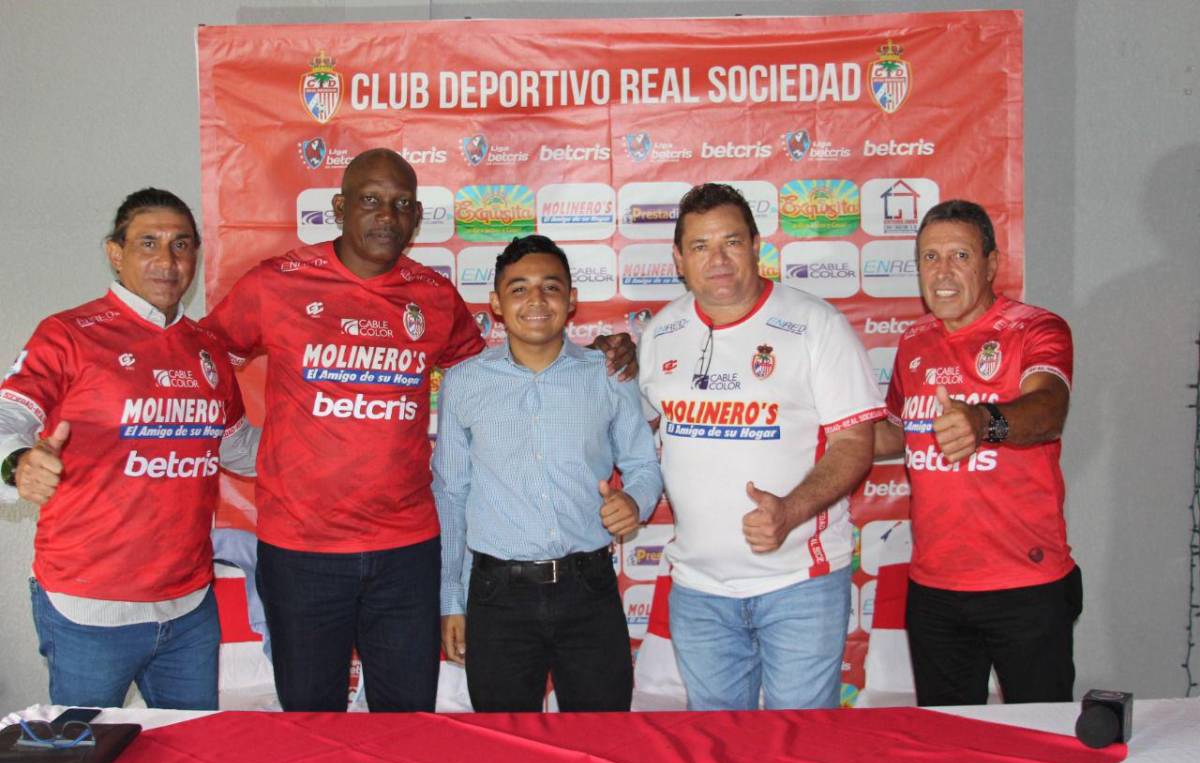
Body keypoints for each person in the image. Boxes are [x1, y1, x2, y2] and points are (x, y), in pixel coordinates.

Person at [203, 149, 637, 712]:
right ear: (339, 207)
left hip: (406, 551)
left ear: (415, 220)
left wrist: (594, 354)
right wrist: (241, 442)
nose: (387, 215)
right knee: (311, 724)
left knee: (407, 727)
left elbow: (500, 371)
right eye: (371, 201)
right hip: (302, 549)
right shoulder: (276, 283)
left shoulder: (432, 295)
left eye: (402, 204)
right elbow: (206, 352)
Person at [0, 188, 256, 709]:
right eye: (148, 243)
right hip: (90, 611)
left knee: (191, 761)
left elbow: (235, 445)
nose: (167, 260)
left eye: (182, 245)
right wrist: (17, 462)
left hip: (188, 608)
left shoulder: (205, 347)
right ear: (115, 253)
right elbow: (11, 413)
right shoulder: (69, 334)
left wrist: (330, 453)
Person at [637, 183, 883, 710]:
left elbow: (854, 443)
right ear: (679, 259)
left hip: (800, 585)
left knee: (799, 753)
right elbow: (637, 438)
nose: (718, 260)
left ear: (755, 245)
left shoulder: (816, 325)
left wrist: (790, 511)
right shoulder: (660, 333)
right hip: (699, 592)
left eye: (731, 242)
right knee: (720, 756)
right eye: (700, 247)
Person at [434, 235, 662, 712]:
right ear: (496, 303)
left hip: (588, 590)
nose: (536, 300)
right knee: (507, 755)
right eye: (518, 289)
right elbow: (451, 495)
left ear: (572, 299)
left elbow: (642, 464)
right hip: (497, 598)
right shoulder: (463, 384)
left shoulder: (608, 373)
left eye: (551, 287)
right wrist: (451, 600)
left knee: (603, 748)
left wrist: (634, 501)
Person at [874, 199, 1080, 706]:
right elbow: (893, 434)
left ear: (990, 264)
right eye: (929, 258)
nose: (942, 272)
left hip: (1025, 586)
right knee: (949, 747)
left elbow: (1048, 410)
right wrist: (810, 425)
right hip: (935, 589)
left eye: (959, 256)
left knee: (1040, 744)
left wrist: (983, 422)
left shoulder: (1036, 328)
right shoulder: (913, 341)